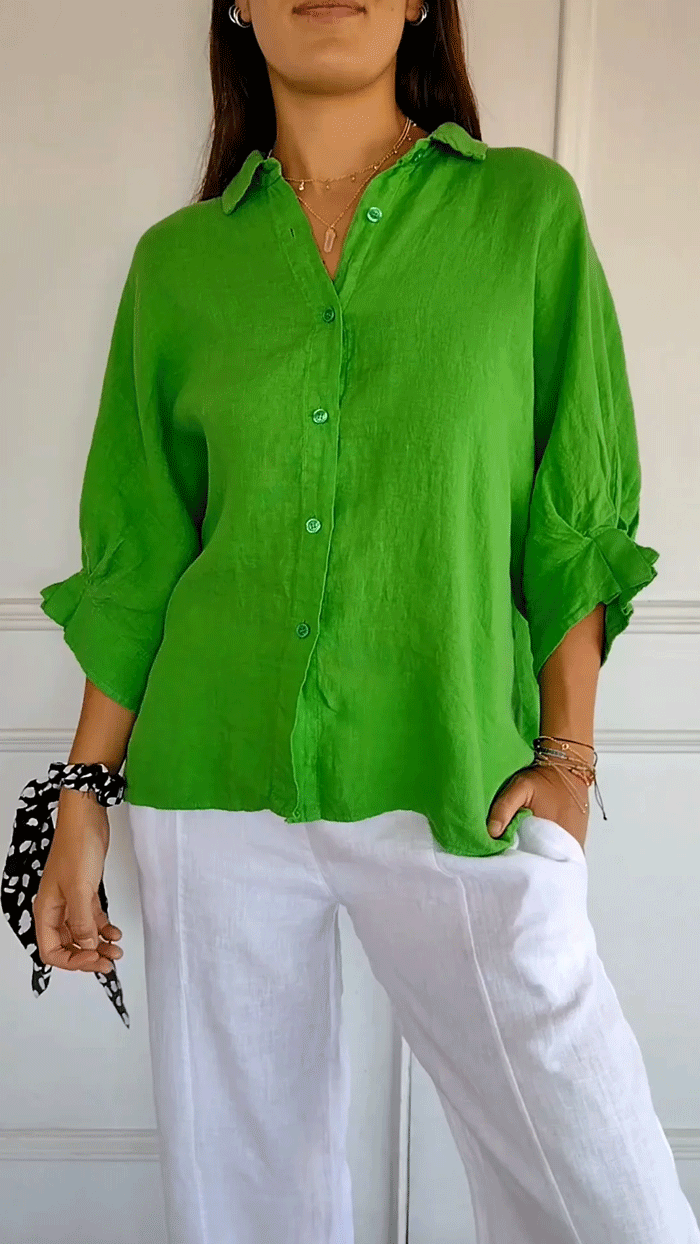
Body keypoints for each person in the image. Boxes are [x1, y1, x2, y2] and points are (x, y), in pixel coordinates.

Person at [22, 0, 698, 1240]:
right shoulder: (181, 263)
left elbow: (575, 512)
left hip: (458, 769)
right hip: (211, 778)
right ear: (235, 4)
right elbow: (141, 555)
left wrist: (567, 754)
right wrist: (80, 795)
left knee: (610, 1201)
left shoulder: (523, 216)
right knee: (244, 1205)